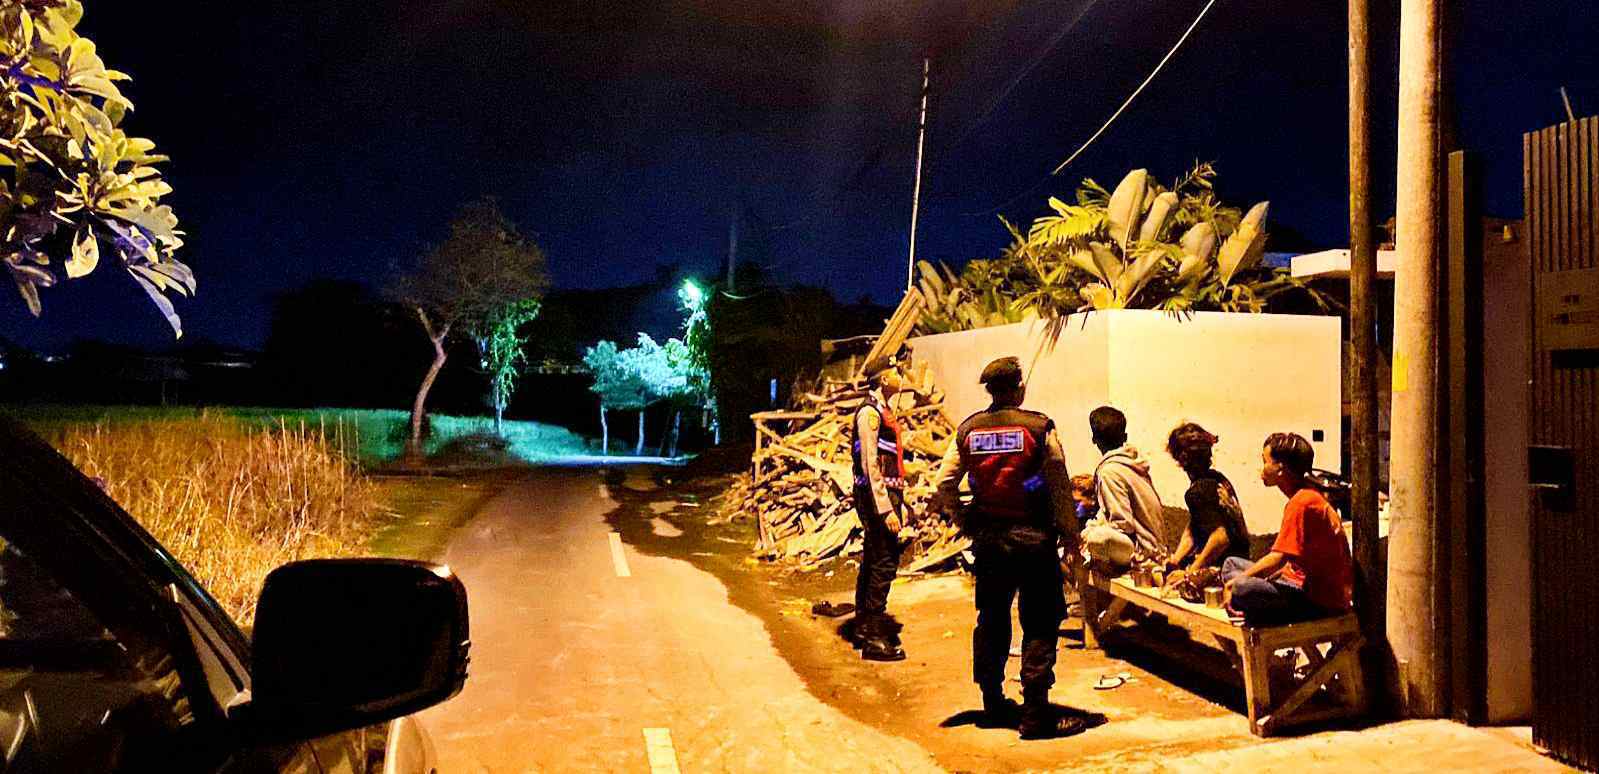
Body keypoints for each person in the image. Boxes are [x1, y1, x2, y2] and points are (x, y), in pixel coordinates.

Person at [934, 356, 1085, 740]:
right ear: (1019, 387)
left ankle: (992, 702)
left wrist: (962, 518)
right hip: (1034, 540)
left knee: (992, 618)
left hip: (990, 541)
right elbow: (1059, 484)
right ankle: (1035, 714)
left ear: (990, 390)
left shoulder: (968, 430)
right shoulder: (1039, 427)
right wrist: (1070, 533)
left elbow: (944, 482)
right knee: (1040, 620)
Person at [1220, 432, 1354, 625]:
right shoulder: (1305, 496)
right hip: (1296, 582)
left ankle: (1260, 612)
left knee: (1241, 587)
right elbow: (1289, 559)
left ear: (1280, 468)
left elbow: (1278, 558)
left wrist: (1236, 583)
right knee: (1231, 564)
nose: (1262, 468)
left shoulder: (1302, 502)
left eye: (1265, 461)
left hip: (1319, 601)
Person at [848, 356, 910, 661]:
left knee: (874, 558)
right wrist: (886, 509)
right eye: (895, 371)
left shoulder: (881, 410)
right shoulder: (870, 413)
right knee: (884, 561)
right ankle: (874, 637)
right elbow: (869, 464)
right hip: (876, 497)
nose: (900, 375)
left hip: (882, 494)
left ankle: (863, 626)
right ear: (884, 379)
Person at [1081, 406, 1167, 570]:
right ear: (1125, 436)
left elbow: (1123, 525)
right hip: (1156, 550)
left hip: (1143, 553)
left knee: (1097, 538)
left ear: (1094, 439)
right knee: (1091, 530)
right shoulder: (1133, 464)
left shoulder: (1110, 471)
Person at [1163, 422, 1250, 573]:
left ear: (1181, 459)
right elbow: (1194, 527)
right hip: (1240, 563)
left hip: (1225, 570)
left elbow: (1220, 538)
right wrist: (1176, 559)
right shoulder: (1218, 480)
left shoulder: (1198, 492)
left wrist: (1190, 573)